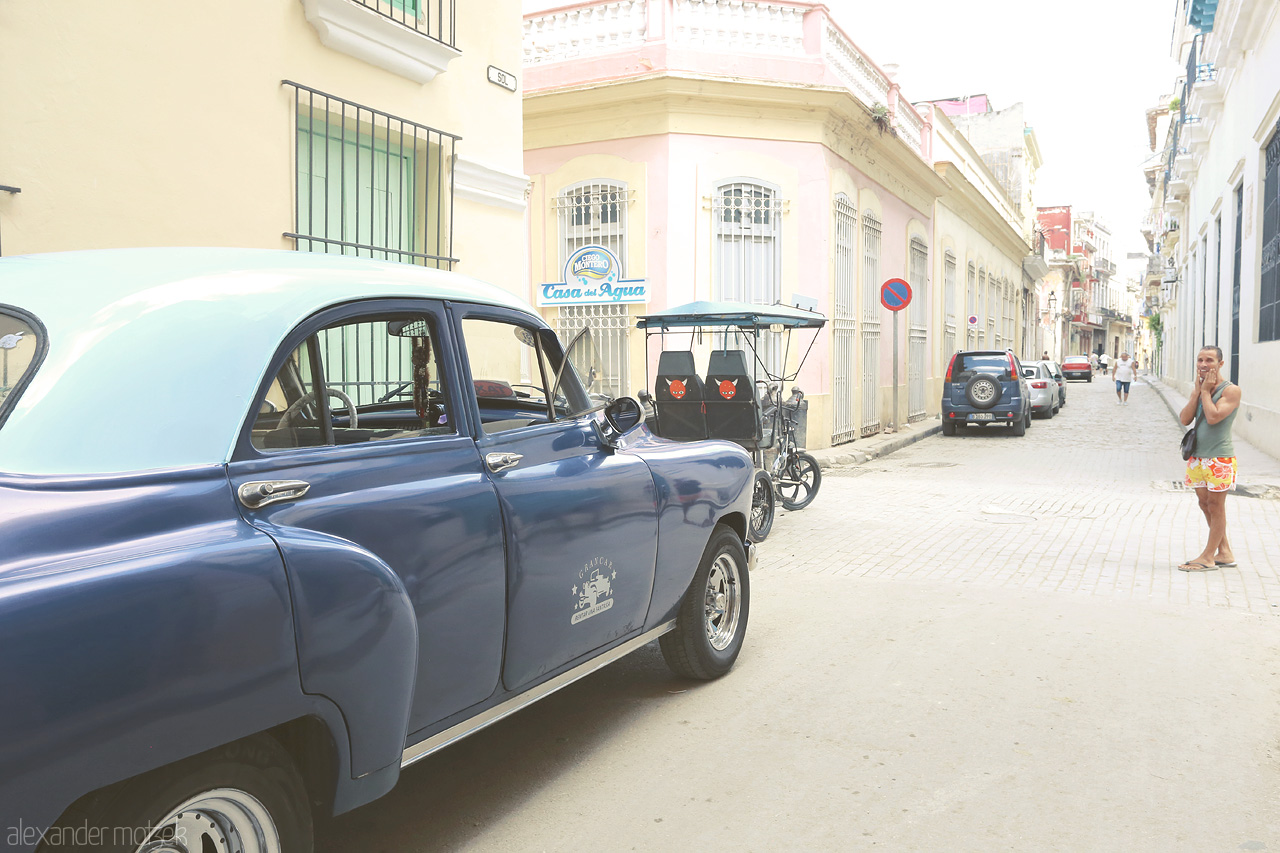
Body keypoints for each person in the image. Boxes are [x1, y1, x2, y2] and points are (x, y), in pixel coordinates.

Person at [1177, 345, 1242, 571]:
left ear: (1220, 364)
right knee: (1204, 504)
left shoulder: (1230, 390)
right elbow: (1185, 419)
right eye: (1200, 360)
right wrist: (1197, 392)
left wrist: (1205, 392)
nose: (1203, 364)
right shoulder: (1199, 387)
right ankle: (1224, 552)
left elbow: (1213, 417)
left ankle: (1208, 557)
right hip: (1197, 457)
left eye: (1210, 360)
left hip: (1219, 458)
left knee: (1216, 506)